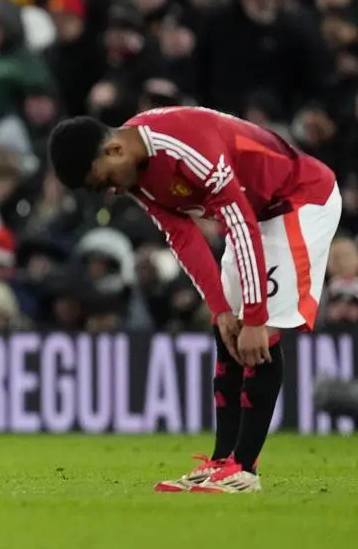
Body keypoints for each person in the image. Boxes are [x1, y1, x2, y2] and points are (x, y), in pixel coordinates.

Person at [48, 106, 339, 493]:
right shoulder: (137, 174)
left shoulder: (184, 147)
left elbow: (238, 223)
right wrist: (220, 309)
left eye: (104, 182)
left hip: (298, 200)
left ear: (115, 150)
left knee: (260, 333)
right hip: (256, 215)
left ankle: (245, 470)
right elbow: (181, 235)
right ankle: (222, 460)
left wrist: (254, 316)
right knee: (228, 332)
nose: (112, 192)